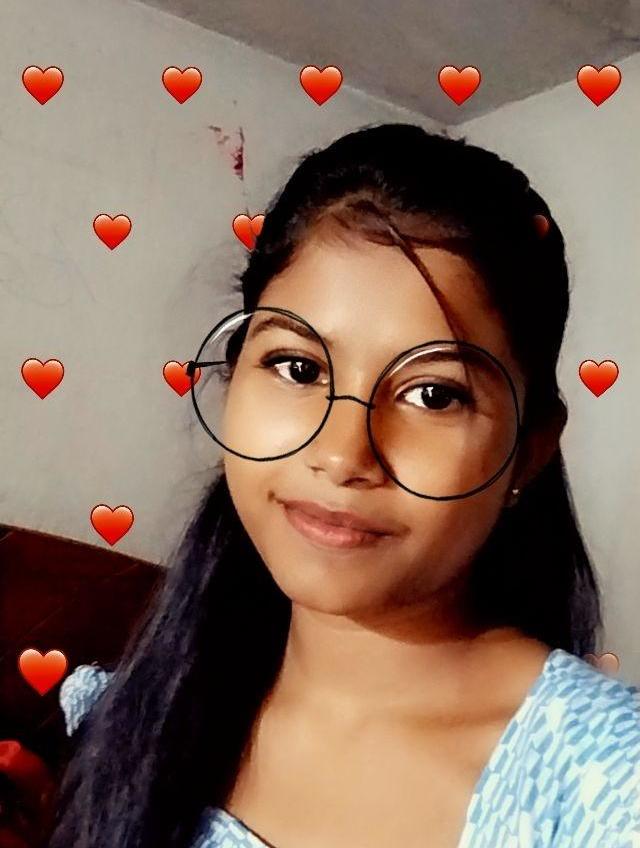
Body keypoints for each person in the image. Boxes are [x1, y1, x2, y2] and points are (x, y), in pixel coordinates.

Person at [47, 124, 640, 848]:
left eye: (433, 395)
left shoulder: (608, 786)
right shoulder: (138, 712)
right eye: (298, 368)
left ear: (530, 452)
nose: (340, 454)